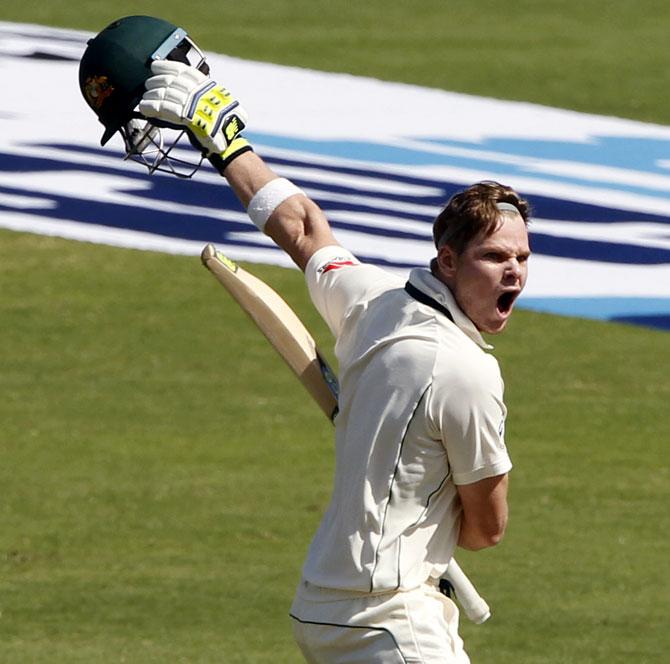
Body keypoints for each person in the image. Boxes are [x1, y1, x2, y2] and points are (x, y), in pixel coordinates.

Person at [81, 24, 530, 660]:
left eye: (520, 257)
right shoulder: (467, 373)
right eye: (494, 257)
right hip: (392, 617)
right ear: (448, 262)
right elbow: (486, 530)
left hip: (325, 605)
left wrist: (224, 142)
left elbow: (302, 230)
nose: (513, 272)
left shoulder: (376, 302)